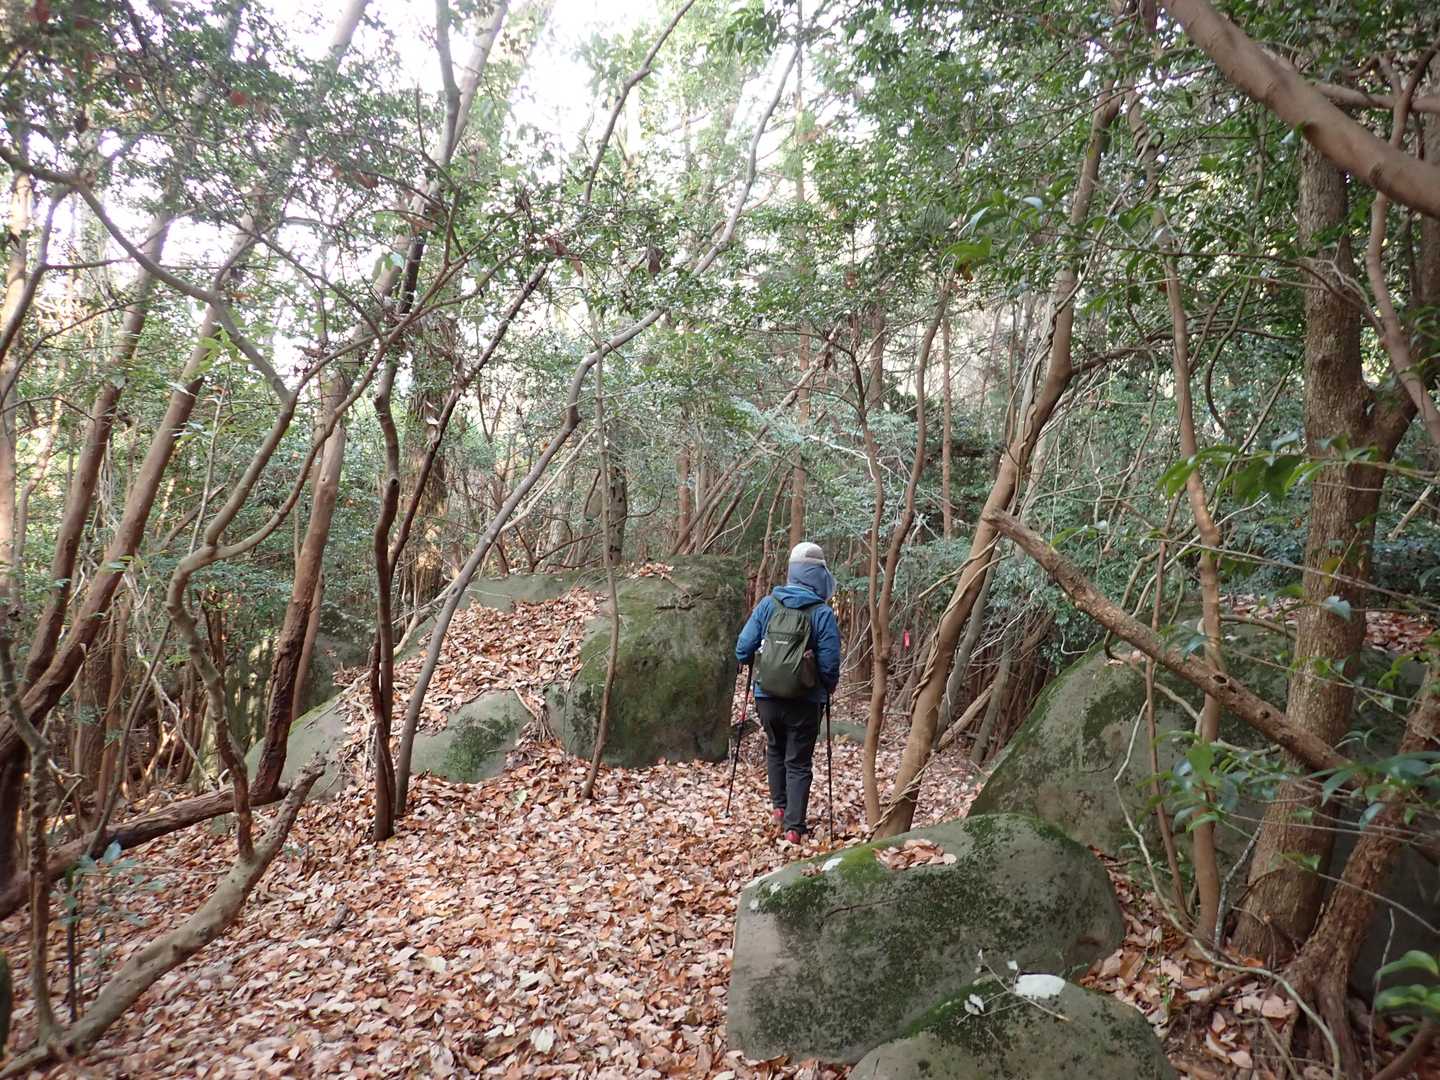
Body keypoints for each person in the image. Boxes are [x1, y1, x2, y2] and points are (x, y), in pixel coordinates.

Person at [734, 541, 841, 843]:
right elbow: (830, 663)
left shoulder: (768, 605)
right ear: (818, 575)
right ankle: (794, 828)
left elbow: (743, 648)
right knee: (798, 761)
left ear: (792, 572)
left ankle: (779, 809)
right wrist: (828, 686)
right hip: (805, 700)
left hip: (766, 696)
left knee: (775, 748)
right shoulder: (822, 613)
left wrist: (756, 662)